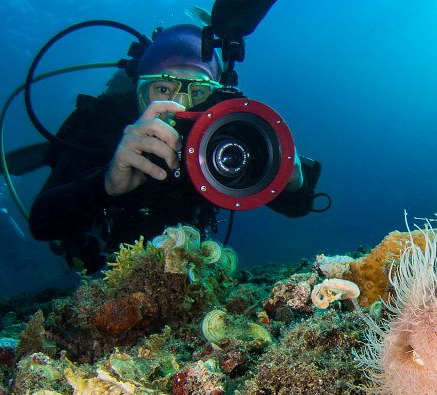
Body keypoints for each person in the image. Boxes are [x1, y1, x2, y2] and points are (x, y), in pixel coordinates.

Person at [29, 24, 322, 273]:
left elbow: (297, 208)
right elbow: (42, 223)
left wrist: (292, 180)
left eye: (197, 92)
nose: (178, 106)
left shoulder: (224, 132)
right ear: (139, 91)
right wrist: (105, 185)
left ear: (215, 97)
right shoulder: (101, 120)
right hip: (104, 265)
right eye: (162, 89)